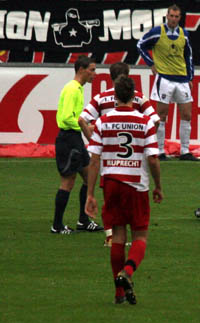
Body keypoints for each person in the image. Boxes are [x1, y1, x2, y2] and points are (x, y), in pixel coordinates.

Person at [84, 76, 163, 305]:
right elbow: (153, 159)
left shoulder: (103, 121)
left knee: (117, 236)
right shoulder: (145, 122)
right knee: (140, 236)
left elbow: (94, 160)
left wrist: (90, 194)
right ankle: (127, 272)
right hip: (136, 184)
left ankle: (118, 294)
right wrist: (158, 186)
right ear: (135, 96)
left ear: (115, 96)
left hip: (111, 184)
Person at [79, 61, 160, 246]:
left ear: (110, 76)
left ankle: (111, 235)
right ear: (128, 75)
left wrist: (94, 140)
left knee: (109, 197)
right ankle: (127, 238)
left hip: (108, 154)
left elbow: (82, 119)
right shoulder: (137, 97)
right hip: (132, 159)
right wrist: (144, 142)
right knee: (132, 200)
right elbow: (155, 120)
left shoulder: (101, 97)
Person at [137, 4, 198, 161]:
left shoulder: (184, 34)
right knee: (162, 115)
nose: (173, 19)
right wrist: (151, 64)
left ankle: (185, 151)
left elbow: (189, 56)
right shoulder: (157, 32)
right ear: (167, 16)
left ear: (180, 18)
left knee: (187, 115)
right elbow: (140, 45)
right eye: (171, 16)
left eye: (176, 16)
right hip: (164, 78)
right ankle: (160, 150)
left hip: (182, 79)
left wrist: (190, 77)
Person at [51, 55, 103, 235]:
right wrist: (85, 126)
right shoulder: (72, 89)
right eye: (92, 70)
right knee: (68, 181)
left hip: (75, 139)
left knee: (89, 177)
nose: (94, 74)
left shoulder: (77, 88)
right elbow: (66, 118)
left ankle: (83, 220)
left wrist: (85, 126)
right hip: (68, 139)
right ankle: (57, 225)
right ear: (81, 69)